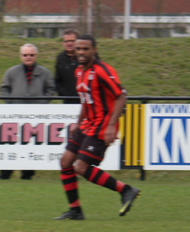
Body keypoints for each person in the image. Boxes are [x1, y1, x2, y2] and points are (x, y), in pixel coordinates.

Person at [54, 34, 140, 221]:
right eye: (78, 49)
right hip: (87, 124)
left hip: (102, 125)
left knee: (81, 167)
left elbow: (121, 97)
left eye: (85, 49)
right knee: (65, 162)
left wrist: (111, 125)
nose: (81, 52)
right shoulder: (79, 71)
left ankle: (125, 190)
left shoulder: (102, 71)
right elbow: (86, 100)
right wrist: (78, 122)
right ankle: (75, 210)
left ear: (94, 50)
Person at [0, 42, 55, 181]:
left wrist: (42, 103)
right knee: (11, 144)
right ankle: (5, 174)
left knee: (31, 145)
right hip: (15, 115)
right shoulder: (12, 72)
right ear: (20, 56)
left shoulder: (44, 72)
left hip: (36, 116)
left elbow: (51, 90)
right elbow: (4, 89)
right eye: (25, 55)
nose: (28, 57)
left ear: (36, 56)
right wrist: (11, 103)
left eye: (31, 55)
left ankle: (27, 174)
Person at [54, 28, 80, 104]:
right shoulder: (60, 58)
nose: (69, 43)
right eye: (66, 41)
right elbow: (57, 80)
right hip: (67, 101)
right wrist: (63, 94)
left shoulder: (85, 57)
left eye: (72, 41)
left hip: (85, 100)